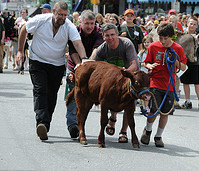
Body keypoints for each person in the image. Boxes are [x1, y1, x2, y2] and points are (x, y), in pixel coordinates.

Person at [16, 1, 87, 141]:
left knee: (52, 94)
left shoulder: (68, 26)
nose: (62, 17)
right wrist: (20, 51)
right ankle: (42, 123)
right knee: (40, 90)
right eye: (60, 14)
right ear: (53, 12)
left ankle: (45, 122)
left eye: (65, 15)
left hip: (57, 64)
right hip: (37, 61)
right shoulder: (41, 20)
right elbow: (24, 29)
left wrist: (84, 58)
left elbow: (77, 43)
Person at [140, 23, 187, 147]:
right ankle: (148, 130)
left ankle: (158, 136)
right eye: (160, 38)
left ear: (171, 37)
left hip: (169, 85)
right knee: (153, 111)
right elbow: (145, 63)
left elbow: (183, 67)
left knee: (165, 113)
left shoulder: (177, 49)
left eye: (165, 38)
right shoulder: (153, 47)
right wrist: (149, 65)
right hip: (155, 83)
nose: (163, 41)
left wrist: (175, 60)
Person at [92, 23, 138, 143]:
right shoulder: (102, 48)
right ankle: (113, 117)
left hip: (128, 75)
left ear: (117, 34)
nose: (110, 38)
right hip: (113, 79)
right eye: (107, 35)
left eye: (112, 34)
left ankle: (123, 131)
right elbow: (94, 65)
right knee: (110, 94)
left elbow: (134, 64)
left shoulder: (126, 44)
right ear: (103, 37)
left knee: (129, 104)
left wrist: (124, 74)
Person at [66, 9, 104, 138]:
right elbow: (73, 50)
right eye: (87, 23)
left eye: (92, 23)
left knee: (86, 98)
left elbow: (96, 49)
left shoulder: (99, 32)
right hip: (74, 65)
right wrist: (79, 66)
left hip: (91, 66)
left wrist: (87, 63)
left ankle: (81, 124)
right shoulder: (74, 30)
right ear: (80, 21)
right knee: (74, 95)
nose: (90, 26)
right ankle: (72, 125)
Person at [180, 16, 199, 111]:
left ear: (196, 26)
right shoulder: (182, 36)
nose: (192, 26)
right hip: (184, 62)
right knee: (185, 82)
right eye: (190, 23)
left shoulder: (198, 36)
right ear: (187, 24)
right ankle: (188, 101)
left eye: (194, 24)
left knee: (197, 82)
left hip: (194, 62)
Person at [138, 35, 153, 113]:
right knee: (142, 91)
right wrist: (143, 64)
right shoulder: (141, 53)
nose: (146, 44)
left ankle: (147, 106)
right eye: (145, 42)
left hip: (150, 74)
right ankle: (143, 106)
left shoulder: (153, 52)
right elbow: (138, 61)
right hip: (142, 73)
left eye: (148, 42)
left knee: (148, 91)